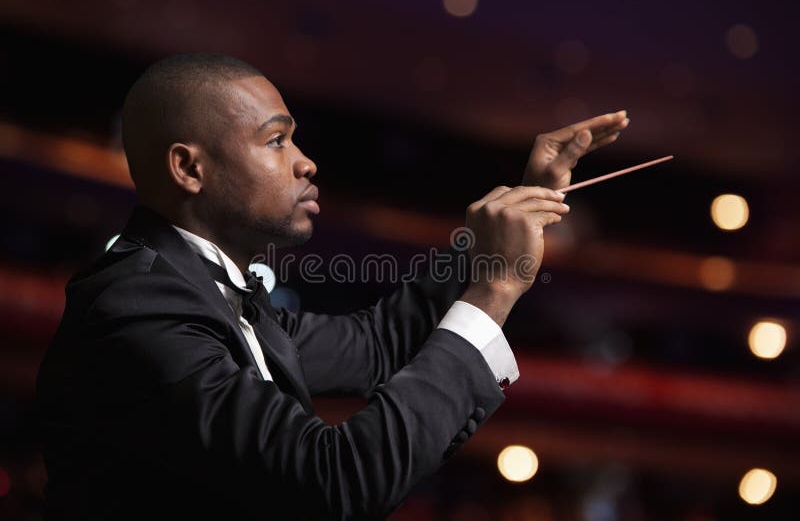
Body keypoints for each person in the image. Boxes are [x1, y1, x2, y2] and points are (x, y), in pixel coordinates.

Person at [35, 53, 629, 520]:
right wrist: (495, 290)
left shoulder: (208, 292)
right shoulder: (138, 307)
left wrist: (523, 205)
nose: (306, 161)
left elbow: (378, 344)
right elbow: (334, 484)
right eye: (276, 140)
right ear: (189, 168)